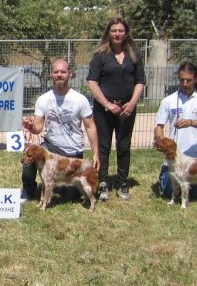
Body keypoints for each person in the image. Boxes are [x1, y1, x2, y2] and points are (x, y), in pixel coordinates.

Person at [22, 58, 100, 202]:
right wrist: (31, 127)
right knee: (29, 158)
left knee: (70, 196)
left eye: (63, 72)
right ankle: (28, 191)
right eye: (56, 72)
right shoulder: (43, 99)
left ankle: (55, 184)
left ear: (70, 74)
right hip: (50, 146)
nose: (59, 74)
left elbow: (90, 126)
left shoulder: (80, 99)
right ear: (51, 74)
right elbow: (38, 127)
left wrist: (96, 154)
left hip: (72, 151)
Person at [86, 17, 146, 201]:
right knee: (103, 146)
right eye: (114, 31)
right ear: (108, 33)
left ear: (126, 33)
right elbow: (91, 81)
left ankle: (122, 182)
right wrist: (107, 104)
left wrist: (132, 103)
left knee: (124, 145)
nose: (117, 34)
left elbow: (140, 81)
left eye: (120, 30)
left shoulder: (134, 54)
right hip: (104, 108)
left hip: (127, 108)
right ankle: (103, 182)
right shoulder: (100, 55)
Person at [154, 61, 197, 199]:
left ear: (196, 79)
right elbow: (159, 126)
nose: (185, 84)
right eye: (182, 80)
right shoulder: (168, 100)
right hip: (175, 157)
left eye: (189, 80)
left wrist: (191, 122)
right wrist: (159, 141)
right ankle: (165, 174)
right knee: (168, 194)